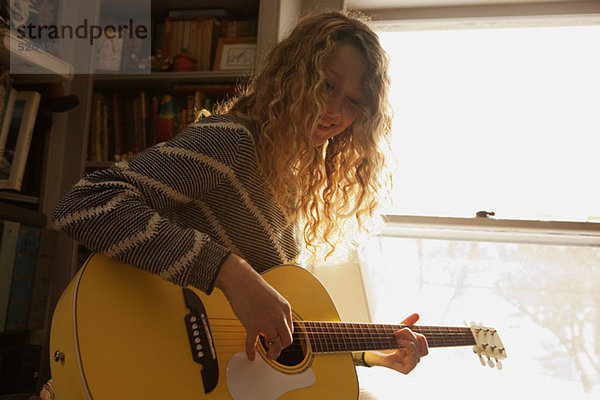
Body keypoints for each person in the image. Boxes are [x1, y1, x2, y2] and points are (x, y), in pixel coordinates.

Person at [52, 9, 428, 394]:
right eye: (327, 86)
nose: (334, 111)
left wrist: (373, 355)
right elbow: (85, 204)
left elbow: (265, 335)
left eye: (353, 102)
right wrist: (230, 273)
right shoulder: (232, 140)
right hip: (134, 355)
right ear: (294, 74)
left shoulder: (291, 180)